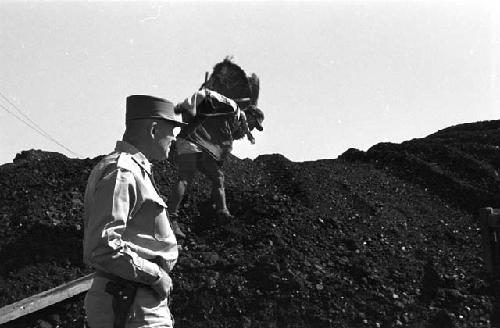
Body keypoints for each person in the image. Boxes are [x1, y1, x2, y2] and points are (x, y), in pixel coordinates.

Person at [83, 95, 185, 328]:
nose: (174, 138)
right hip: (130, 304)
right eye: (171, 130)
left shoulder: (130, 170)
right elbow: (102, 245)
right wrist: (156, 275)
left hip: (132, 300)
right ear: (154, 129)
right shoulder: (123, 172)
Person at [167, 86, 264, 238]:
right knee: (185, 178)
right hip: (190, 141)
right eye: (254, 124)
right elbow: (206, 93)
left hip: (202, 147)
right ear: (249, 115)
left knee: (218, 177)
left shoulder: (234, 122)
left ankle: (223, 214)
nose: (251, 128)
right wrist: (187, 106)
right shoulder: (232, 107)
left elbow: (241, 128)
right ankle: (170, 219)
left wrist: (248, 134)